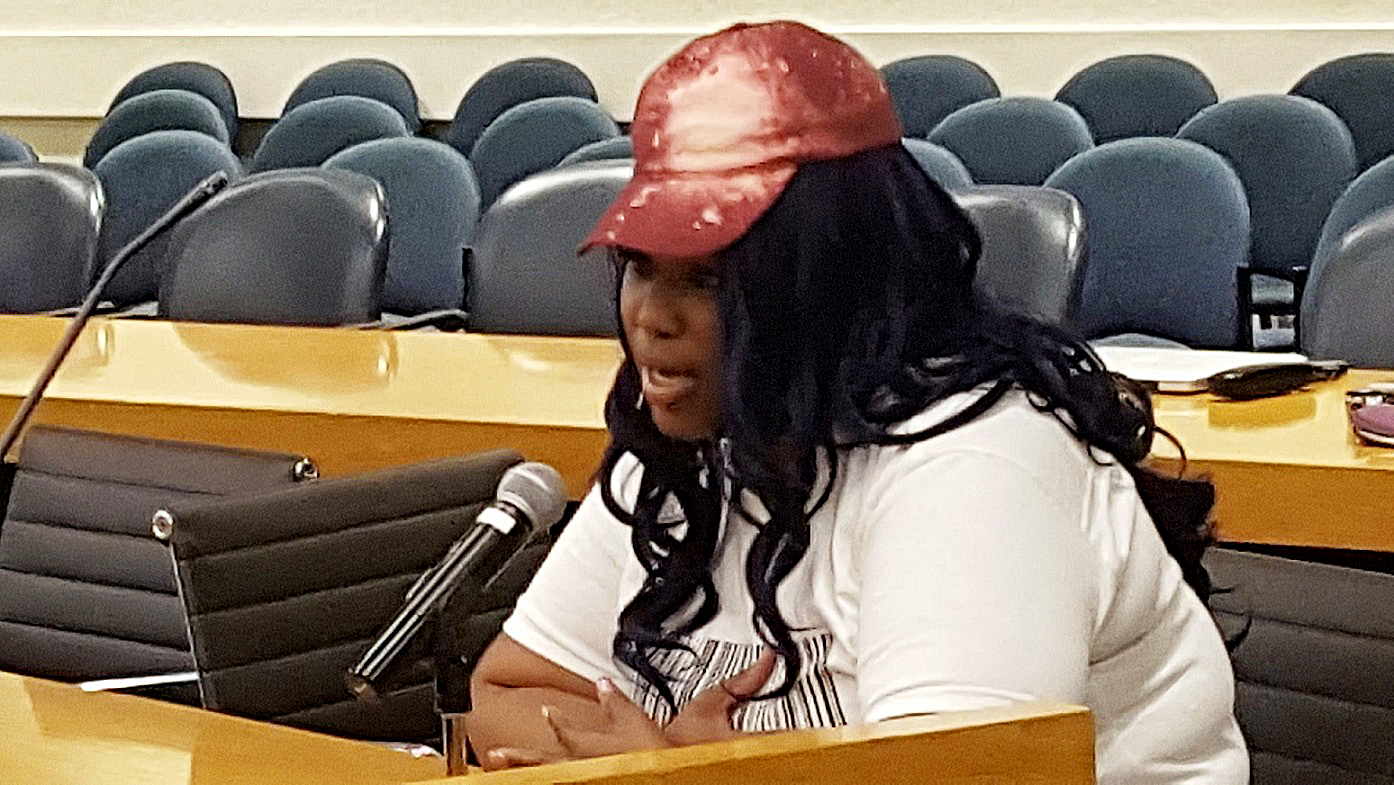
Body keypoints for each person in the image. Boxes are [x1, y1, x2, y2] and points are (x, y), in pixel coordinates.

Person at [467, 20, 1248, 784]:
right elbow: (502, 691)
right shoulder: (702, 440)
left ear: (829, 278)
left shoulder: (975, 462)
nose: (650, 319)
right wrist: (647, 763)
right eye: (640, 266)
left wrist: (686, 774)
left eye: (706, 280)